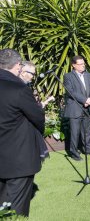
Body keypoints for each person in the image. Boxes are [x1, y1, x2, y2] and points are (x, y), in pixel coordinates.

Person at [0, 49, 45, 217]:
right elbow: (38, 118)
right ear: (18, 65)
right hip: (18, 159)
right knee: (15, 213)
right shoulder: (19, 88)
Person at [63, 55, 90, 161]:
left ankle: (88, 149)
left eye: (84, 63)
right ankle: (74, 153)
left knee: (87, 131)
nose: (83, 65)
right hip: (75, 108)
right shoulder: (68, 76)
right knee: (75, 132)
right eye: (81, 64)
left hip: (87, 108)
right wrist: (84, 100)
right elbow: (70, 92)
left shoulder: (88, 75)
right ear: (74, 65)